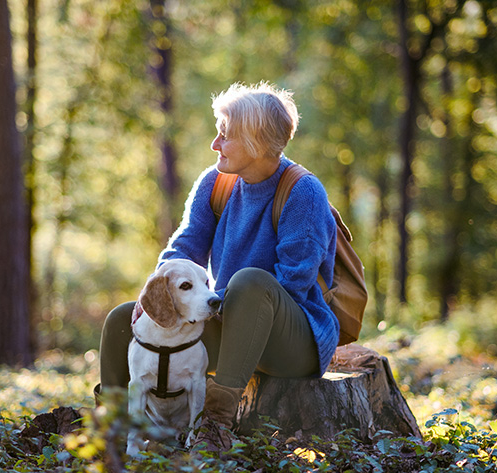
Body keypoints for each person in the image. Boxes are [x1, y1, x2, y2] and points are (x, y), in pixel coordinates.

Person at [96, 81, 338, 452]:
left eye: (225, 136)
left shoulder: (303, 192)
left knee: (250, 282)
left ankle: (214, 425)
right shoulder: (215, 183)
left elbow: (294, 281)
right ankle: (114, 430)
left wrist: (216, 300)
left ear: (256, 141)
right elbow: (182, 249)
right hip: (227, 320)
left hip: (291, 339)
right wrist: (154, 293)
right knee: (122, 319)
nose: (215, 144)